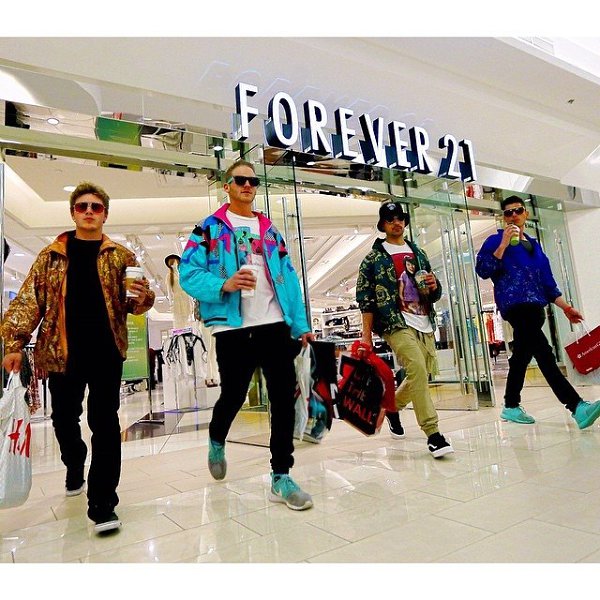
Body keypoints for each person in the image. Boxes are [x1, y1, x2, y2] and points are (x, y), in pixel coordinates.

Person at [0, 181, 155, 533]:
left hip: (106, 353)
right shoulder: (52, 255)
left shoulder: (120, 257)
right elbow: (29, 301)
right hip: (61, 354)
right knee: (64, 419)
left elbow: (136, 304)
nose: (88, 212)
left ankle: (103, 503)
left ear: (105, 215)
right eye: (82, 206)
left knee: (106, 424)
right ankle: (74, 462)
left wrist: (143, 296)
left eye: (95, 207)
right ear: (73, 212)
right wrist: (14, 344)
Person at [179, 159, 315, 510]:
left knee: (282, 398)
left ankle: (281, 475)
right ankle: (216, 438)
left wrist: (300, 324)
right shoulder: (209, 228)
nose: (247, 186)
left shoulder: (269, 230)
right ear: (227, 186)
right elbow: (187, 273)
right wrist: (222, 283)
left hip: (274, 323)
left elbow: (289, 277)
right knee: (234, 395)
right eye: (240, 180)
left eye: (253, 181)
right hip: (232, 327)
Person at [475, 195, 600, 427]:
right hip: (516, 306)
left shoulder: (535, 246)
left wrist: (566, 307)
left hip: (536, 308)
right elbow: (483, 270)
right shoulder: (495, 240)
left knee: (521, 356)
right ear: (503, 218)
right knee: (545, 355)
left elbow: (547, 282)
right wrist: (503, 245)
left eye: (518, 210)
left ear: (526, 214)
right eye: (508, 212)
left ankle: (511, 405)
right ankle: (576, 406)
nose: (513, 215)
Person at [356, 201, 454, 458]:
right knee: (417, 367)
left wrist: (434, 286)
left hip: (423, 320)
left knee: (423, 373)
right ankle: (433, 434)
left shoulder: (418, 253)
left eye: (400, 218)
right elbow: (365, 300)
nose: (396, 223)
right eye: (390, 219)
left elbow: (432, 292)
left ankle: (391, 408)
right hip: (393, 322)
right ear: (382, 225)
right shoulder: (373, 259)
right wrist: (366, 336)